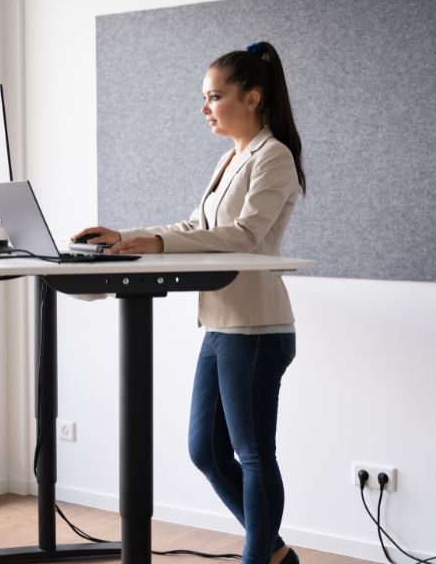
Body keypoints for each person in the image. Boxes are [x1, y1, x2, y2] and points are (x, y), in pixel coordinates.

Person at [72, 41, 305, 564]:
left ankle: (258, 557)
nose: (205, 108)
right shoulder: (230, 159)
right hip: (221, 323)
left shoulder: (275, 156)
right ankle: (270, 551)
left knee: (251, 454)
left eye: (214, 97)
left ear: (252, 97)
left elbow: (243, 235)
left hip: (258, 326)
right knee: (205, 450)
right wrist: (126, 236)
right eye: (204, 98)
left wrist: (157, 245)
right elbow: (196, 227)